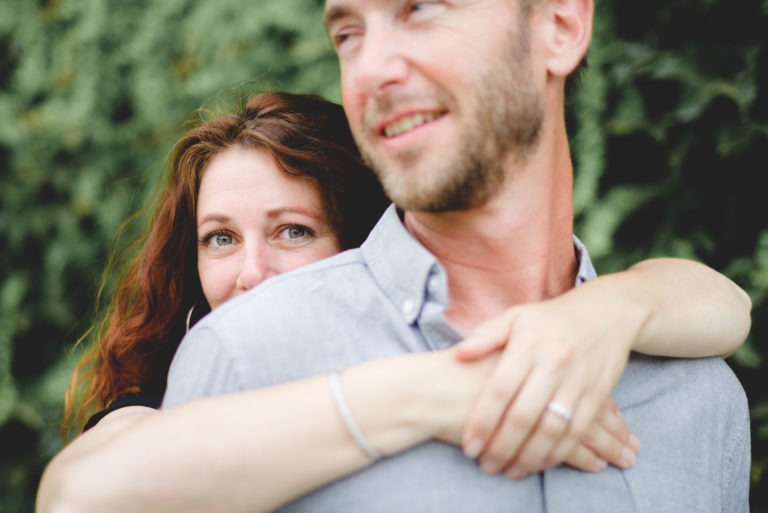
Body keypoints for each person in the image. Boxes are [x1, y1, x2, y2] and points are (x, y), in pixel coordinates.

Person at [36, 87, 749, 513]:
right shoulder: (195, 384)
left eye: (292, 229)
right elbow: (74, 495)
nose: (251, 271)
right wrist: (437, 393)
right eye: (219, 238)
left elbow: (728, 307)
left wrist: (603, 309)